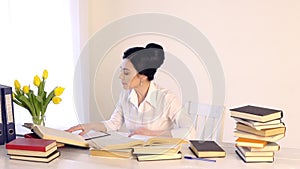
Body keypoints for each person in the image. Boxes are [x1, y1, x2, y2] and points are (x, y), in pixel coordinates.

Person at [67, 43, 195, 139]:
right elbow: (113, 124)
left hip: (159, 157)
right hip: (133, 156)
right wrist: (91, 126)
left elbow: (190, 131)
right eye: (121, 71)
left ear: (143, 75)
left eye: (126, 72)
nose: (120, 77)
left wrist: (153, 134)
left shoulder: (167, 98)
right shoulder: (126, 95)